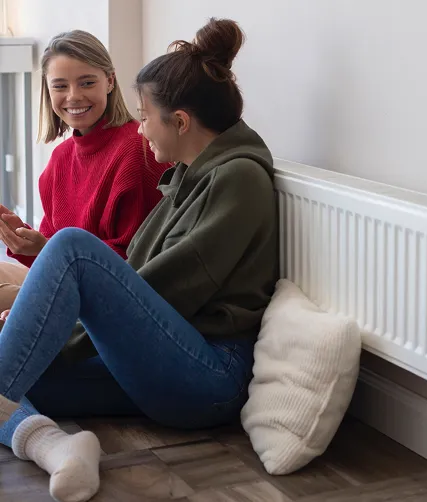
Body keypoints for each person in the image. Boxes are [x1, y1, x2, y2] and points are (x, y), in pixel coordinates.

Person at [0, 18, 278, 502]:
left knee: (69, 246)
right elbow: (141, 290)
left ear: (181, 121)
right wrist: (37, 327)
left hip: (209, 374)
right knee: (26, 361)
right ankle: (57, 449)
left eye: (146, 115)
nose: (140, 126)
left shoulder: (238, 180)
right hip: (163, 361)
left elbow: (166, 292)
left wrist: (55, 331)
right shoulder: (188, 178)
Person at [0, 30, 169, 317]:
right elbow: (52, 252)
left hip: (116, 304)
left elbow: (138, 264)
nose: (73, 96)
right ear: (48, 90)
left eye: (87, 82)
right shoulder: (59, 160)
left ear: (110, 81)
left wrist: (50, 254)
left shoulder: (138, 152)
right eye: (60, 86)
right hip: (68, 284)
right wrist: (28, 243)